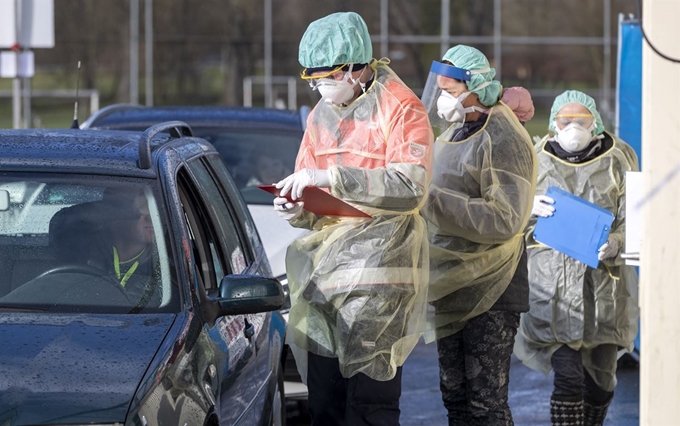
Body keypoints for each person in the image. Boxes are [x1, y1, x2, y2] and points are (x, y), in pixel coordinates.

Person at [273, 11, 433, 426]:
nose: (320, 87)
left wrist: (332, 176)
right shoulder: (320, 117)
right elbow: (315, 200)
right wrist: (298, 208)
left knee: (369, 408)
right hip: (328, 279)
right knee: (325, 405)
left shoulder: (401, 108)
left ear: (355, 67)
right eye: (313, 79)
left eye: (326, 76)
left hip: (380, 280)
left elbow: (410, 184)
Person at [419, 45, 537, 425]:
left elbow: (505, 218)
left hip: (494, 286)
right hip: (453, 282)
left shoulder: (503, 137)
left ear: (476, 88)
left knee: (486, 403)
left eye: (450, 92)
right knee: (456, 398)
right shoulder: (455, 132)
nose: (442, 100)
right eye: (440, 90)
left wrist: (433, 201)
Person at [514, 90, 639, 426]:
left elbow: (636, 219)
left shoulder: (619, 158)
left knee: (600, 384)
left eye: (580, 121)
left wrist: (616, 241)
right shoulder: (534, 158)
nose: (572, 128)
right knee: (568, 379)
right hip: (552, 289)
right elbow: (507, 213)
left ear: (595, 122)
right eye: (564, 121)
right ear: (554, 123)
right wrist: (527, 208)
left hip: (605, 291)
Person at [89, 188, 164, 310]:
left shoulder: (168, 269)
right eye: (137, 210)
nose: (150, 217)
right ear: (113, 218)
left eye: (154, 209)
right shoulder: (81, 256)